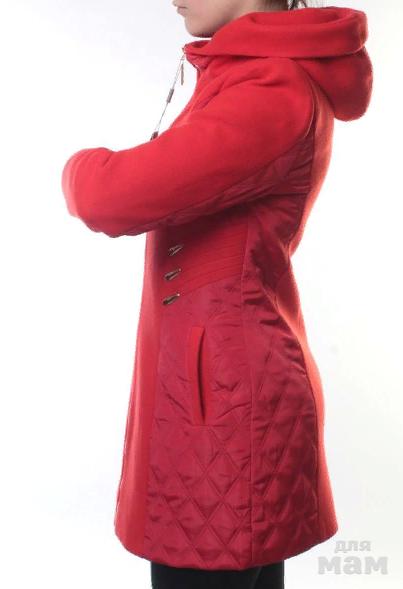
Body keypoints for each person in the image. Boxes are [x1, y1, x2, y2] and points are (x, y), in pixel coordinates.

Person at [61, 0, 373, 588]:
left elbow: (109, 196)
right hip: (218, 394)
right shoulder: (249, 76)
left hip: (224, 407)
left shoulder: (270, 90)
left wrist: (77, 167)